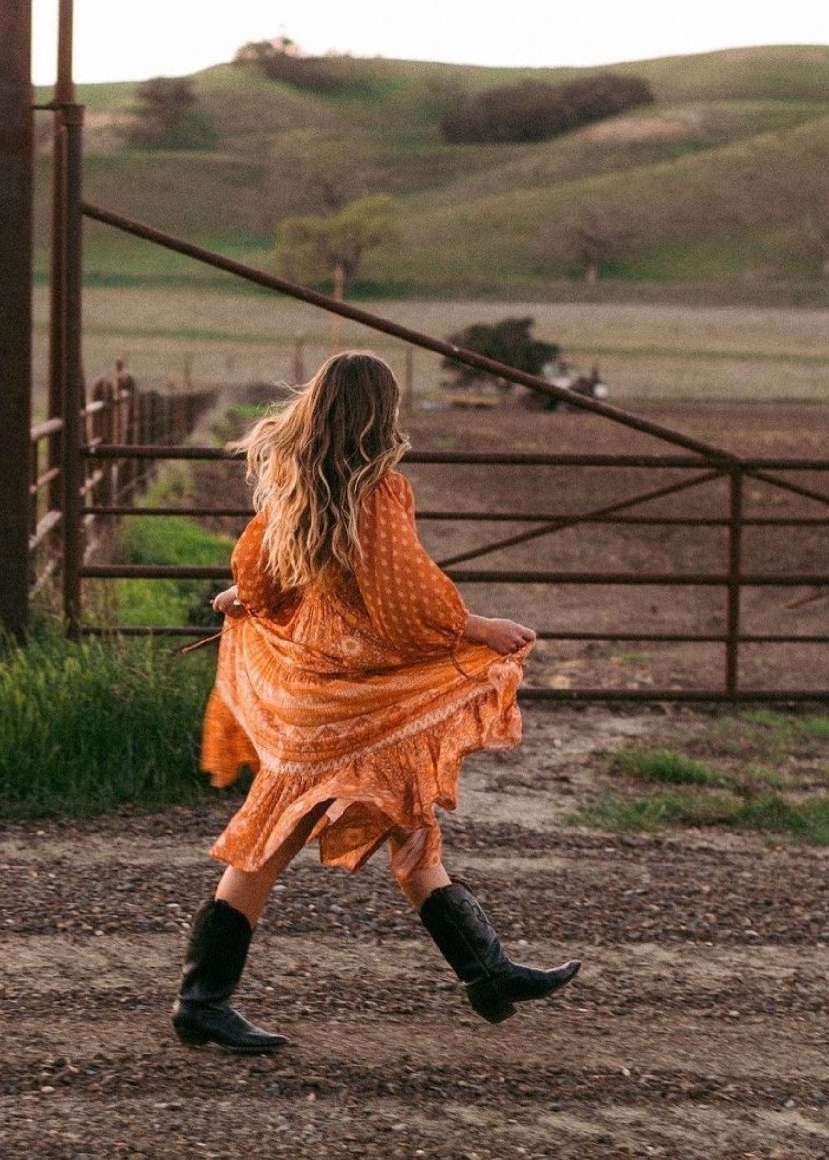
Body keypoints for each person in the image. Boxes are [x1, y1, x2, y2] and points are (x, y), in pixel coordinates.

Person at [172, 351, 579, 1054]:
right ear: (379, 413)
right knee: (275, 843)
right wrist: (479, 629)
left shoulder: (296, 486)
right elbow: (404, 598)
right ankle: (201, 1002)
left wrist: (245, 597)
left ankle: (487, 972)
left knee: (398, 820)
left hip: (318, 692)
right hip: (358, 697)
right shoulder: (379, 493)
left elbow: (273, 583)